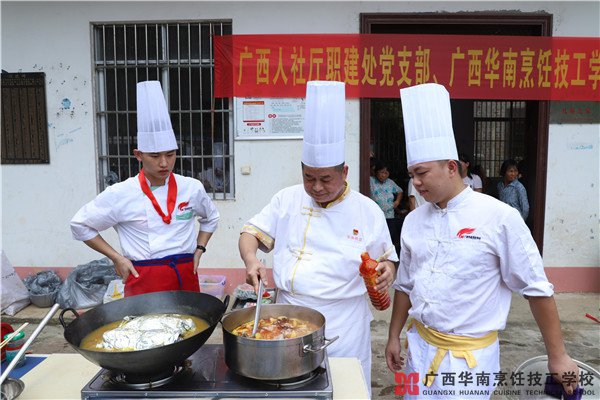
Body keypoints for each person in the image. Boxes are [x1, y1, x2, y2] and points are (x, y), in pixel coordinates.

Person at [385, 83, 578, 399]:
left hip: (469, 361)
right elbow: (405, 285)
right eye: (411, 174)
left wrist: (558, 356)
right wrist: (394, 336)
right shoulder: (414, 221)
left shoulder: (499, 217)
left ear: (451, 167)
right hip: (418, 350)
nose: (415, 183)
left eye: (421, 173)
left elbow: (536, 289)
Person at [238, 81, 397, 395]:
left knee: (345, 389)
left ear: (345, 172)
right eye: (309, 177)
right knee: (291, 390)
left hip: (343, 322)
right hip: (287, 318)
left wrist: (387, 272)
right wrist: (251, 259)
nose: (317, 187)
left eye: (326, 179)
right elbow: (249, 233)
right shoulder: (287, 199)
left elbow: (387, 260)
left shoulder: (367, 210)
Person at [70, 81, 220, 297]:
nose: (164, 163)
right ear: (138, 155)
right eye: (155, 156)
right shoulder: (120, 193)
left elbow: (211, 218)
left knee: (190, 319)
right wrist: (117, 258)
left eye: (170, 155)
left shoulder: (191, 187)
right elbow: (80, 225)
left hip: (185, 274)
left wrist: (200, 249)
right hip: (144, 277)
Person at [370, 160, 403, 255]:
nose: (383, 175)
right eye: (381, 172)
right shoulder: (371, 181)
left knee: (390, 237)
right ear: (376, 172)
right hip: (376, 215)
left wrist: (397, 201)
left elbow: (400, 191)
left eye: (386, 173)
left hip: (389, 215)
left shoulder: (390, 182)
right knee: (377, 237)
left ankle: (390, 256)